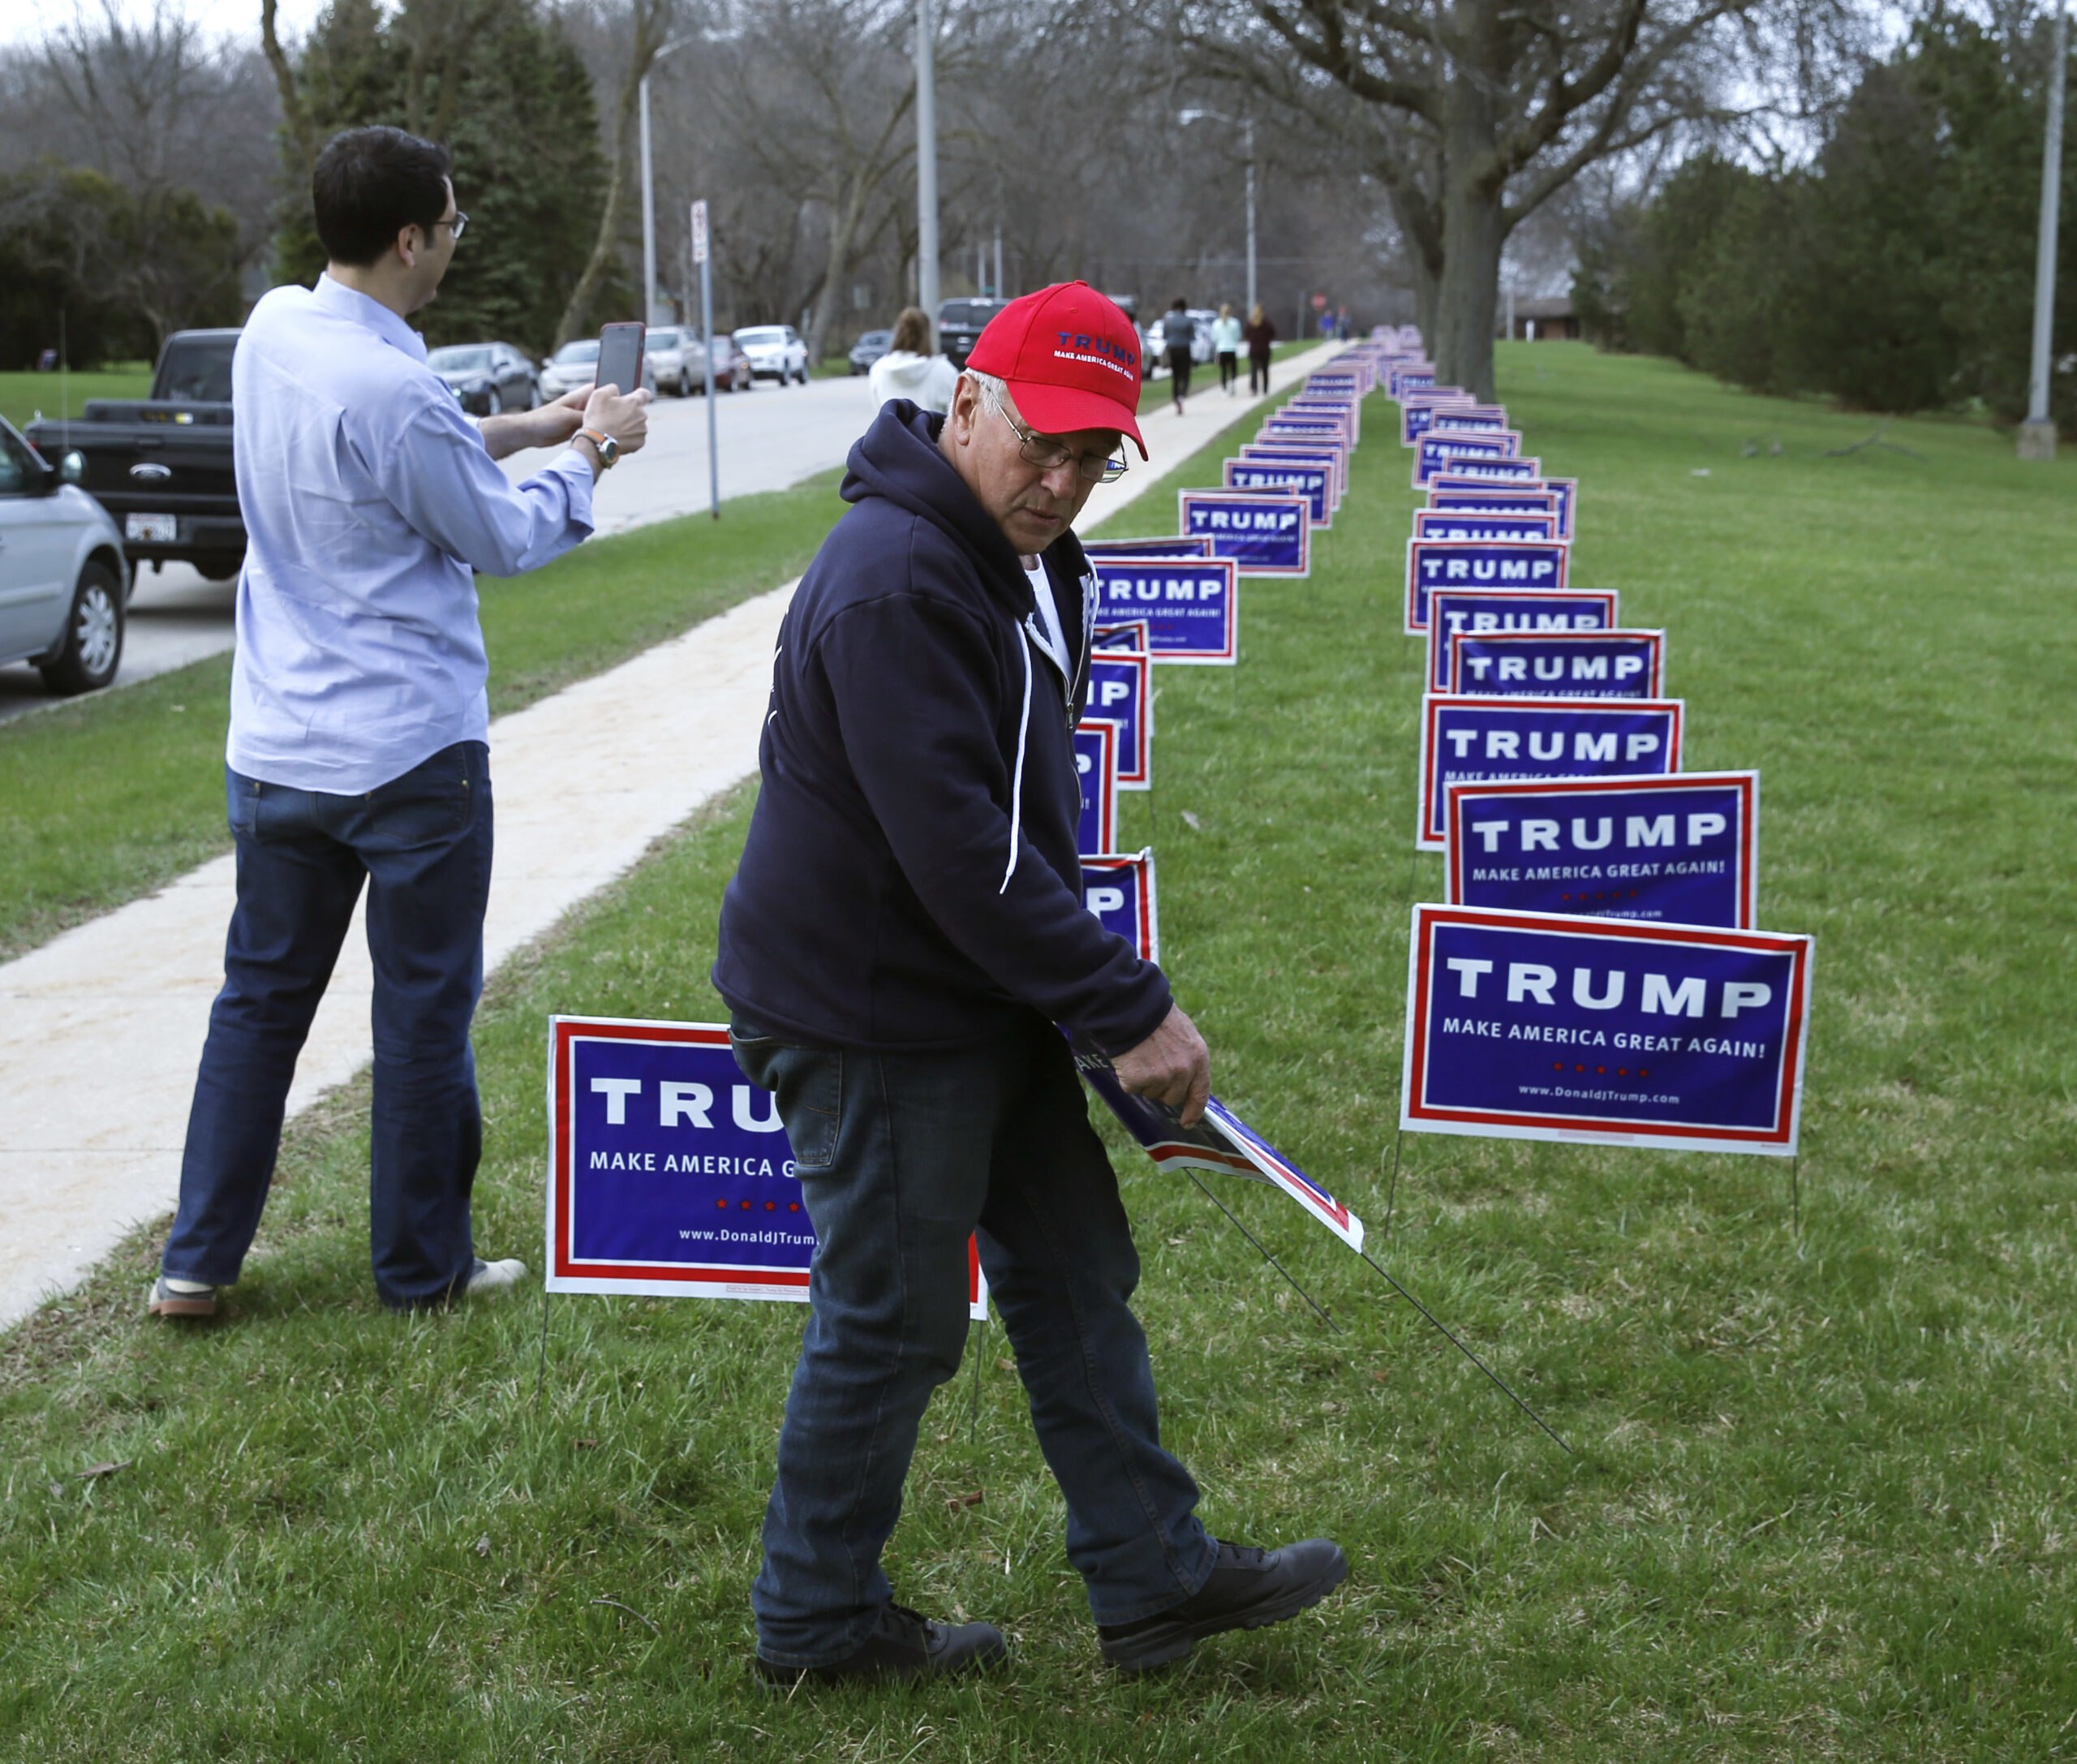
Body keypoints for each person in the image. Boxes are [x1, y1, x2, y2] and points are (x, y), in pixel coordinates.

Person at [713, 281, 1347, 1685]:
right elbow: (962, 852)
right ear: (966, 403)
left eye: (1092, 456)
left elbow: (1011, 819)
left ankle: (1153, 1575)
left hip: (976, 988)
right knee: (894, 1314)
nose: (1060, 481)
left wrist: (1074, 991)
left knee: (1071, 1265)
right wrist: (1124, 1003)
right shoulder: (896, 578)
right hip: (868, 1004)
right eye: (1040, 442)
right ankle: (813, 1621)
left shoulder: (1020, 556)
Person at [147, 126, 649, 1320]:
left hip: (276, 750)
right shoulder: (394, 386)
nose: (457, 243)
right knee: (423, 1012)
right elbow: (504, 534)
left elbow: (406, 454)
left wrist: (530, 425)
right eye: (454, 224)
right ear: (412, 238)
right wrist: (593, 449)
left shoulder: (276, 328)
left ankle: (195, 1261)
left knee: (257, 1004)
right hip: (410, 757)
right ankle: (423, 1269)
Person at [867, 305, 957, 413]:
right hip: (934, 424)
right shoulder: (944, 370)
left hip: (892, 424)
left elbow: (878, 409)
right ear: (927, 333)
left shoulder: (879, 369)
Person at [1163, 295, 1194, 415]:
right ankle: (1182, 395)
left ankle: (1176, 399)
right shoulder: (1188, 320)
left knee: (1175, 376)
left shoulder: (1168, 320)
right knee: (1185, 375)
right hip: (1185, 349)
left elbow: (1165, 336)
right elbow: (1192, 337)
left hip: (1172, 349)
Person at [1243, 303, 1275, 395]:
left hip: (1254, 350)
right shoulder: (1267, 324)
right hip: (1265, 350)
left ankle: (1254, 388)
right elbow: (1273, 333)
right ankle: (1265, 389)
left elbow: (1246, 335)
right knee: (1265, 370)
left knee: (1254, 370)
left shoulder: (1250, 324)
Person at [1211, 302, 1242, 396]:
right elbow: (1238, 336)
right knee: (1233, 369)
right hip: (1232, 348)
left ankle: (1224, 389)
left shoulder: (1216, 323)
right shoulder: (1235, 323)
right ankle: (1232, 383)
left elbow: (1214, 338)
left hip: (1221, 349)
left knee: (1224, 370)